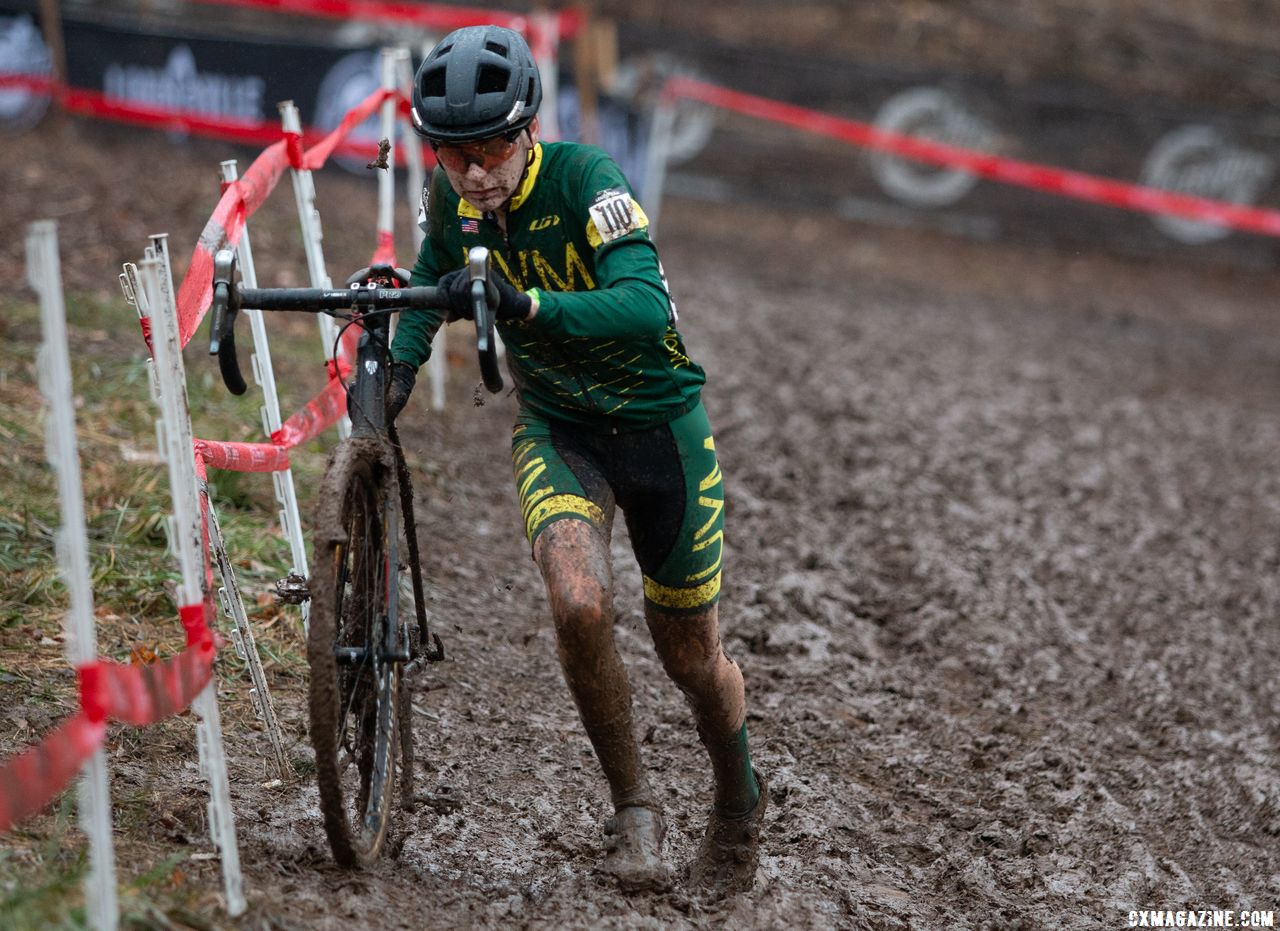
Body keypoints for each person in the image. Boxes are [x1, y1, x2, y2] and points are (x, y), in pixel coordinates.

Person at [386, 24, 765, 894]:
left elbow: (641, 304)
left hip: (662, 430)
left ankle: (739, 794)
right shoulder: (455, 203)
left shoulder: (588, 180)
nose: (474, 175)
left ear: (527, 133)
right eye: (454, 158)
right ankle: (634, 810)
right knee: (579, 603)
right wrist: (401, 364)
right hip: (560, 430)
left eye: (489, 152)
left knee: (691, 658)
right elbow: (433, 276)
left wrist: (531, 307)